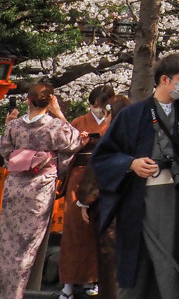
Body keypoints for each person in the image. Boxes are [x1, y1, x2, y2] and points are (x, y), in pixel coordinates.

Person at [92, 53, 179, 299]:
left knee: (171, 257)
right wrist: (131, 164)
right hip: (140, 199)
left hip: (176, 197)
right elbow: (103, 156)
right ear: (165, 80)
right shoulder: (133, 114)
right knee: (138, 267)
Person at [0, 82, 87, 299]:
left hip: (14, 187)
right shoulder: (56, 127)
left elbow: (5, 154)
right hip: (39, 189)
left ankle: (6, 291)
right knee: (28, 245)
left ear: (28, 100)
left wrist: (8, 127)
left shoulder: (14, 126)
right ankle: (17, 293)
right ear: (50, 102)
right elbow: (76, 141)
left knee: (8, 242)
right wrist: (59, 114)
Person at [60, 84, 116, 299]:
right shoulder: (78, 122)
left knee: (99, 232)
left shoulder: (115, 121)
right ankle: (68, 283)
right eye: (92, 106)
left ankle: (92, 279)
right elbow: (65, 149)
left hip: (104, 178)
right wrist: (78, 143)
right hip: (79, 177)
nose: (96, 110)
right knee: (74, 230)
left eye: (99, 106)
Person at [74, 95, 132, 299]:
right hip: (135, 206)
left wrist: (84, 200)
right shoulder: (139, 138)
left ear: (111, 114)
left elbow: (97, 175)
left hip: (110, 206)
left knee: (110, 265)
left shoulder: (111, 140)